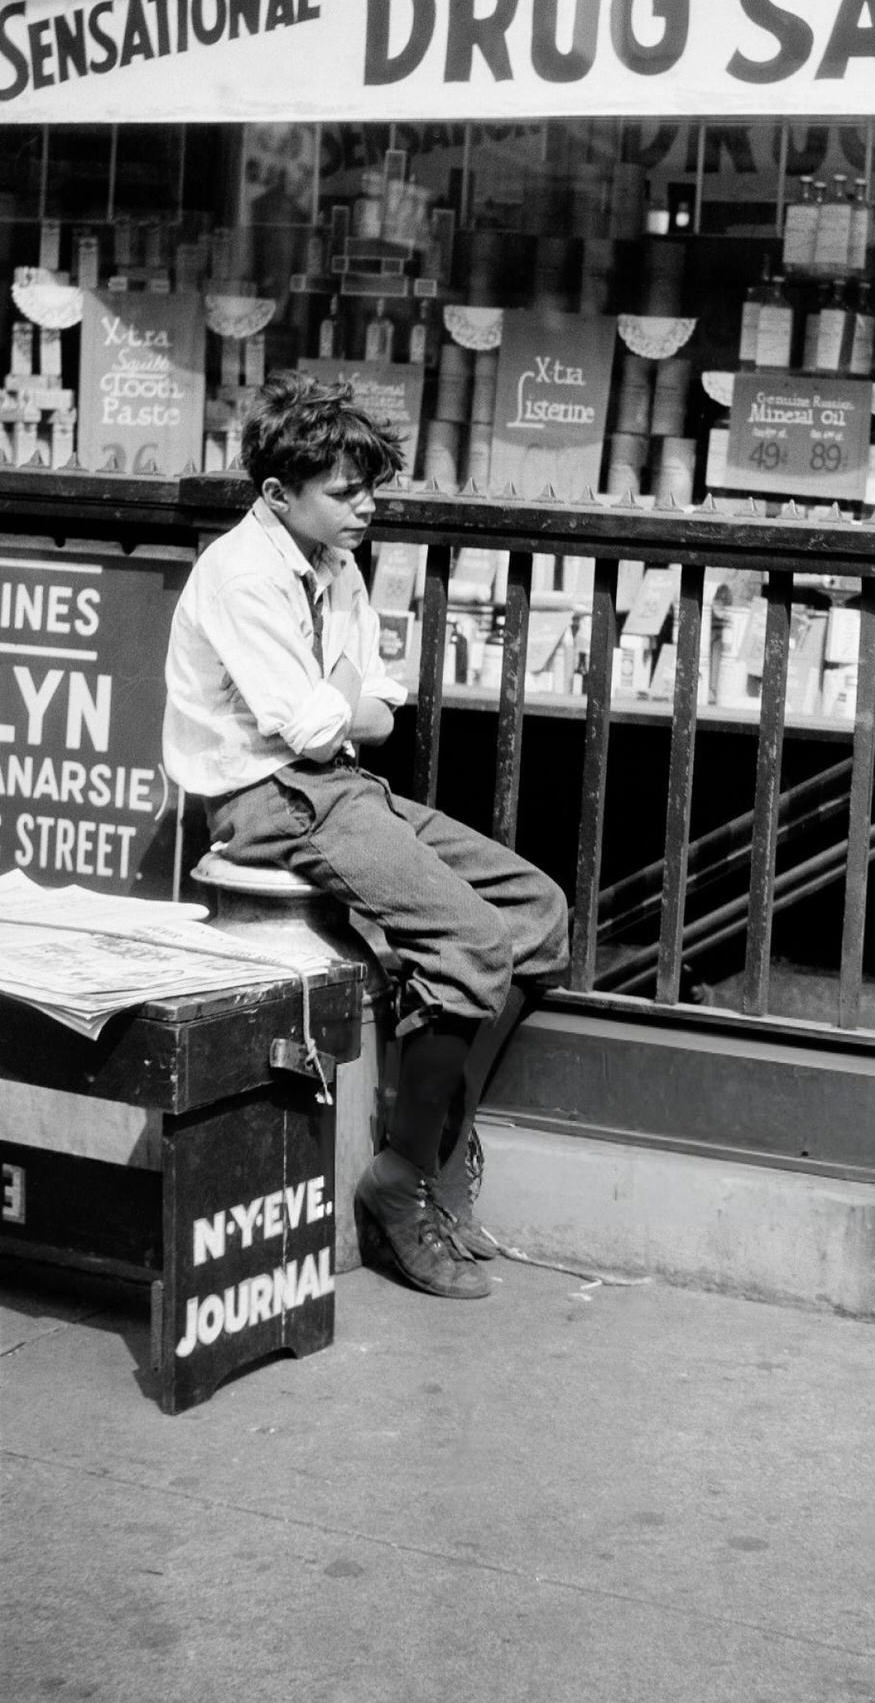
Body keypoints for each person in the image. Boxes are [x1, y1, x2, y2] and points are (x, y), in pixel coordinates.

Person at [163, 371, 569, 1301]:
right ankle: (395, 1181)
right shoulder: (240, 574)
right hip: (267, 799)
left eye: (371, 489)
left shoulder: (335, 566)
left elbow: (371, 698)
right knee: (467, 942)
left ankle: (433, 1150)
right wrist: (349, 706)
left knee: (537, 914)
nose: (366, 509)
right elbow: (318, 724)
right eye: (344, 493)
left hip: (336, 783)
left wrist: (347, 705)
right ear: (278, 495)